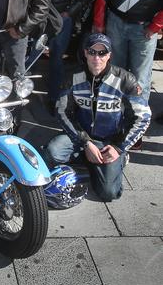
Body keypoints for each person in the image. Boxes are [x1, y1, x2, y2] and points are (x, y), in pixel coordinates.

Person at [44, 33, 151, 201]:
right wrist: (86, 142)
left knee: (108, 193)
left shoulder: (126, 79)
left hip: (110, 141)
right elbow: (62, 111)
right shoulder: (72, 76)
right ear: (85, 53)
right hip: (80, 137)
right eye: (92, 52)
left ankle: (116, 161)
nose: (97, 58)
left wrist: (118, 147)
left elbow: (143, 117)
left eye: (102, 53)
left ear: (109, 55)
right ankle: (91, 159)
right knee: (52, 152)